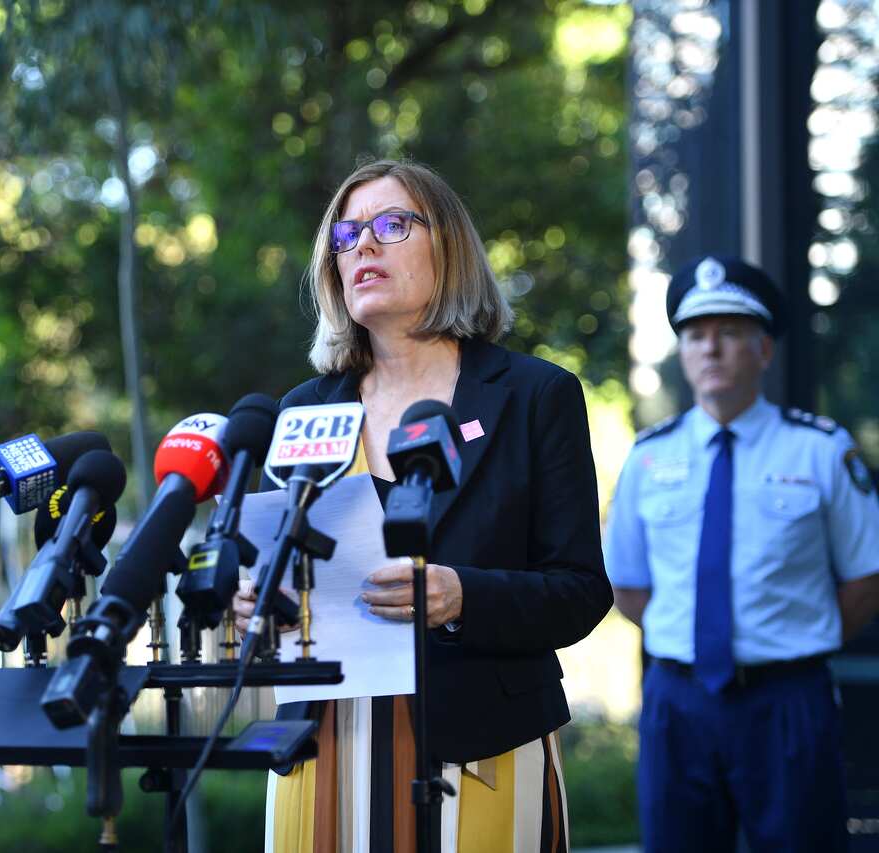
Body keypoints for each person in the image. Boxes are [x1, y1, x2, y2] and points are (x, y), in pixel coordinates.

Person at [233, 159, 612, 852]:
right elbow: (272, 576)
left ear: (450, 246)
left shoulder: (534, 395)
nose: (363, 247)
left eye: (391, 224)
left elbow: (581, 592)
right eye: (345, 236)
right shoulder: (301, 410)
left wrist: (461, 594)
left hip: (483, 754)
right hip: (323, 753)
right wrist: (254, 601)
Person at [603, 256, 879, 852]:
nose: (712, 350)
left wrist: (784, 640)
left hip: (787, 702)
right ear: (682, 353)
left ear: (764, 350)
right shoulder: (649, 458)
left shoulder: (822, 451)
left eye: (730, 333)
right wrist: (702, 645)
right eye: (697, 336)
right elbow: (628, 588)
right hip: (679, 702)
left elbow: (864, 581)